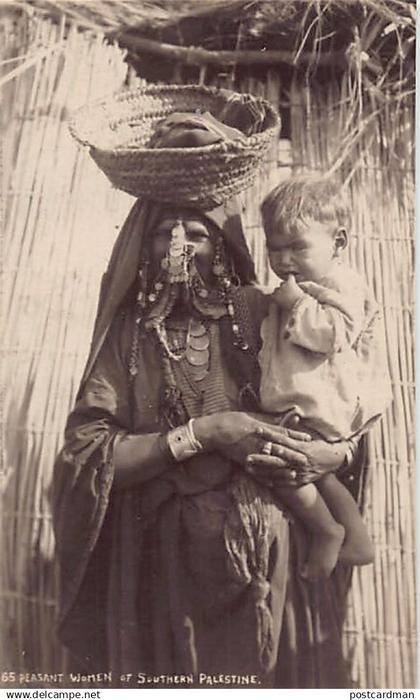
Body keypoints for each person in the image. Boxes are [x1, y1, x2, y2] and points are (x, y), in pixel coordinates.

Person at [53, 98, 373, 688]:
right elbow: (87, 457)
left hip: (272, 558)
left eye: (196, 230)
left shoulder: (267, 311)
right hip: (163, 577)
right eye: (163, 231)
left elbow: (340, 397)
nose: (180, 243)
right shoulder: (129, 335)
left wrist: (337, 453)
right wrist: (202, 433)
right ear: (142, 246)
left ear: (222, 242)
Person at [258, 176, 392, 580]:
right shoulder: (305, 285)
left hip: (320, 405)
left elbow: (336, 333)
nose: (284, 261)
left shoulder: (342, 283)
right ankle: (355, 536)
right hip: (307, 404)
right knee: (319, 473)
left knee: (279, 463)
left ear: (339, 242)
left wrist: (297, 302)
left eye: (298, 247)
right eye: (274, 248)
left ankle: (326, 530)